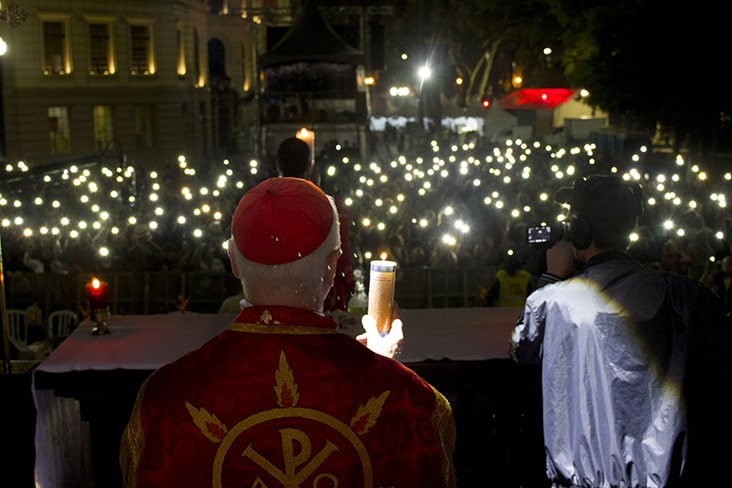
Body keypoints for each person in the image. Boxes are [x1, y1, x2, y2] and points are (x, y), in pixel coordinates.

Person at [120, 177, 457, 487]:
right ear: (333, 266)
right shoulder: (409, 399)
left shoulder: (164, 397)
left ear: (233, 261)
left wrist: (374, 368)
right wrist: (376, 370)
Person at [508, 174, 731, 487]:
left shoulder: (553, 301)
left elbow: (521, 349)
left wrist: (549, 277)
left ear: (579, 231)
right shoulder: (684, 296)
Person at [276, 136, 355, 312]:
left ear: (278, 164)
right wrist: (350, 282)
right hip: (320, 295)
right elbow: (340, 255)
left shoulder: (262, 204)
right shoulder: (330, 206)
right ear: (309, 166)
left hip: (276, 297)